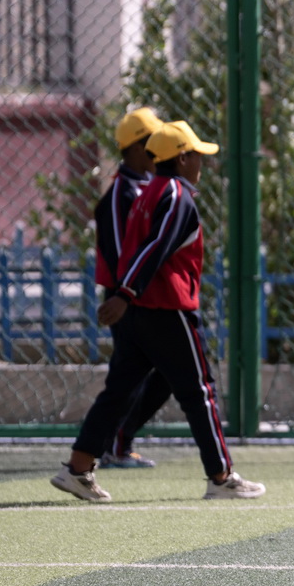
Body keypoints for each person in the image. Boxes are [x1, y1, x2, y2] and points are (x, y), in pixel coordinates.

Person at [51, 121, 266, 502]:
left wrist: (124, 296)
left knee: (117, 391)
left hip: (138, 313)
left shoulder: (148, 191)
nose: (201, 162)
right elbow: (157, 246)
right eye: (197, 155)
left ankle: (78, 469)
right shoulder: (176, 194)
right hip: (166, 308)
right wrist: (126, 293)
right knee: (200, 391)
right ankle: (221, 477)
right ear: (182, 158)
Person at [92, 107, 174, 469]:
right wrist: (125, 294)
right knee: (128, 375)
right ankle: (107, 446)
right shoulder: (118, 194)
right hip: (125, 297)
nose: (156, 151)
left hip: (144, 295)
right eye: (150, 143)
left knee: (167, 370)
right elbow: (116, 251)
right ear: (135, 148)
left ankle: (121, 440)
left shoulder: (149, 188)